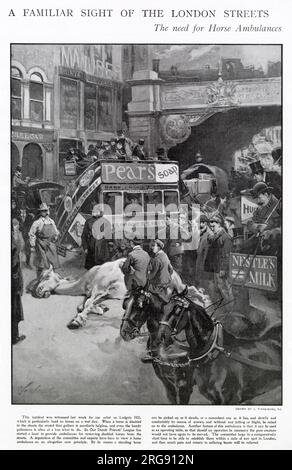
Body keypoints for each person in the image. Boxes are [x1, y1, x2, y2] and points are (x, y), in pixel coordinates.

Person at [204, 214, 234, 320]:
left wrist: (223, 269)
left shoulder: (225, 237)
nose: (212, 226)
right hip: (215, 267)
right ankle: (223, 310)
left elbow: (226, 255)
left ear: (219, 224)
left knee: (224, 289)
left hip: (220, 268)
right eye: (210, 224)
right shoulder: (215, 236)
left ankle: (230, 311)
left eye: (214, 223)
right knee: (218, 288)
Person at [29, 203, 60, 278]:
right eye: (43, 211)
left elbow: (56, 232)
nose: (45, 212)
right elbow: (31, 233)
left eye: (46, 210)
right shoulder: (37, 222)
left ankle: (52, 282)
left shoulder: (51, 221)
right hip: (41, 245)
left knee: (53, 264)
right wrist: (32, 245)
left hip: (51, 245)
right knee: (43, 264)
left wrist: (56, 236)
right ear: (40, 212)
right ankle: (40, 281)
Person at [81, 205, 110, 269]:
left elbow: (109, 236)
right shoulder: (88, 222)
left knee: (102, 268)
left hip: (102, 249)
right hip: (91, 248)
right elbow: (84, 236)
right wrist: (85, 247)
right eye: (94, 210)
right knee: (91, 269)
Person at [11, 236, 25, 345]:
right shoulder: (13, 246)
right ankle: (14, 337)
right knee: (14, 309)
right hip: (12, 282)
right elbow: (14, 266)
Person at [194, 213, 212, 291]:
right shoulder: (200, 232)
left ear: (205, 223)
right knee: (198, 276)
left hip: (205, 260)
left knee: (204, 279)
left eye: (201, 223)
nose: (199, 224)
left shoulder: (209, 234)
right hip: (199, 257)